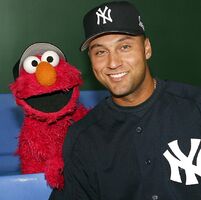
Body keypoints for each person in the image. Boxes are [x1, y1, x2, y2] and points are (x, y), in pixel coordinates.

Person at [49, 1, 201, 200]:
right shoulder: (82, 138)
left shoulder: (195, 107)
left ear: (146, 48)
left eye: (125, 46)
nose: (113, 63)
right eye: (101, 52)